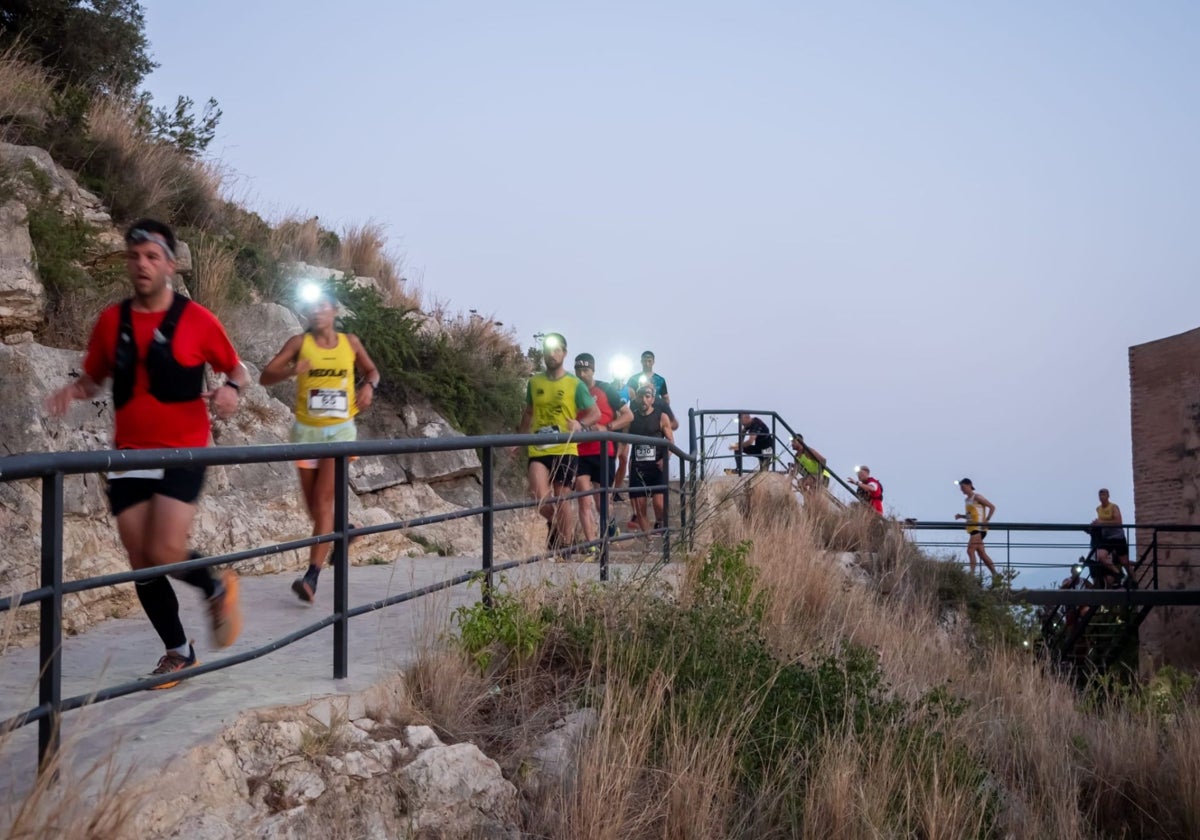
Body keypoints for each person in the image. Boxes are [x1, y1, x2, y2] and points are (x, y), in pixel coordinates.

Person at [45, 219, 248, 688]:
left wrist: (232, 389)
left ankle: (215, 586)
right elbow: (94, 377)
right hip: (128, 456)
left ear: (170, 265)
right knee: (141, 562)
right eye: (134, 256)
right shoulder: (111, 322)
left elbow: (235, 367)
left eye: (152, 257)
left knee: (163, 550)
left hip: (185, 451)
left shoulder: (197, 320)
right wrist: (72, 392)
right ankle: (179, 651)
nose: (141, 264)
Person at [260, 289, 380, 603]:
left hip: (339, 434)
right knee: (314, 508)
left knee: (323, 504)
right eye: (311, 308)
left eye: (322, 306)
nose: (316, 312)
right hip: (306, 435)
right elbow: (265, 376)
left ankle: (311, 576)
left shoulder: (350, 343)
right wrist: (291, 371)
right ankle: (346, 529)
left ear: (334, 310)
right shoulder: (299, 344)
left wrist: (368, 386)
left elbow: (372, 371)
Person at [518, 333, 599, 555]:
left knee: (563, 497)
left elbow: (595, 413)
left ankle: (564, 547)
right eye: (547, 349)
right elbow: (528, 412)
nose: (551, 354)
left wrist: (580, 424)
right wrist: (517, 439)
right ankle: (559, 527)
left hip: (565, 448)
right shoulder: (535, 382)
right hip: (539, 447)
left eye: (556, 350)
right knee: (538, 496)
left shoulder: (575, 384)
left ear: (564, 353)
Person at [572, 353, 633, 554]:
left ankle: (610, 527)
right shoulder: (572, 390)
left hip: (603, 451)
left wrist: (608, 426)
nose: (582, 374)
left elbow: (628, 415)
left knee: (601, 501)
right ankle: (591, 545)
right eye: (578, 370)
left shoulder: (606, 389)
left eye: (586, 370)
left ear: (593, 370)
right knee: (583, 496)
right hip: (579, 451)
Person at [615, 350, 677, 496]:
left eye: (649, 360)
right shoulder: (633, 379)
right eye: (644, 360)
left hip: (653, 419)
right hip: (635, 419)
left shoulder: (660, 380)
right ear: (641, 361)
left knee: (649, 449)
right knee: (626, 454)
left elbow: (667, 398)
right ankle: (619, 489)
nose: (647, 362)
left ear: (653, 361)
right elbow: (625, 394)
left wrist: (662, 409)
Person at [627, 383, 675, 534]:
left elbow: (670, 443)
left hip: (656, 466)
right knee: (640, 508)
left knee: (659, 503)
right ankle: (649, 540)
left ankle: (660, 522)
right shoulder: (632, 417)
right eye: (641, 396)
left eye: (647, 397)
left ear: (652, 399)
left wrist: (664, 459)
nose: (643, 400)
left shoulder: (661, 417)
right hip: (638, 467)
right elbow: (622, 439)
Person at [954, 478, 998, 580]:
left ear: (970, 485)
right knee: (981, 554)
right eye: (961, 488)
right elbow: (971, 515)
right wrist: (961, 516)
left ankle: (972, 576)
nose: (962, 490)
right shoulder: (967, 500)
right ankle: (995, 575)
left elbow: (992, 507)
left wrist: (987, 520)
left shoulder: (977, 497)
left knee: (970, 550)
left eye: (963, 487)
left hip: (979, 529)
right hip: (972, 528)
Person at [1091, 488, 1135, 587]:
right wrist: (1095, 524)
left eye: (1104, 494)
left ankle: (1134, 581)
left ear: (1108, 496)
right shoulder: (1098, 509)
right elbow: (1100, 522)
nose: (1102, 496)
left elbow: (1118, 522)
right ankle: (1118, 574)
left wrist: (1101, 523)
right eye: (1100, 495)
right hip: (1107, 538)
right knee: (1100, 556)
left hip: (1118, 537)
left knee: (1124, 561)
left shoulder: (1114, 507)